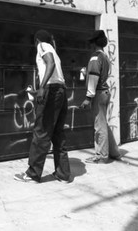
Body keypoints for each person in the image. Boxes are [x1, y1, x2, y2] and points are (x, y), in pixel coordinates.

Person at [14, 30, 71, 183]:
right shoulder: (54, 50)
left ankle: (33, 174)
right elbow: (54, 72)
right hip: (61, 91)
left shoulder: (43, 45)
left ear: (37, 40)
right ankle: (63, 174)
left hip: (52, 92)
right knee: (58, 134)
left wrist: (42, 87)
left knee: (41, 132)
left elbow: (49, 63)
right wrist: (38, 89)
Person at [80, 30, 121, 164]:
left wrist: (88, 97)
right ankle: (113, 152)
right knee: (103, 123)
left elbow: (93, 77)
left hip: (98, 94)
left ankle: (101, 156)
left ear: (93, 44)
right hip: (105, 93)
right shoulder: (105, 56)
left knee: (99, 126)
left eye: (91, 42)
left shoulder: (95, 57)